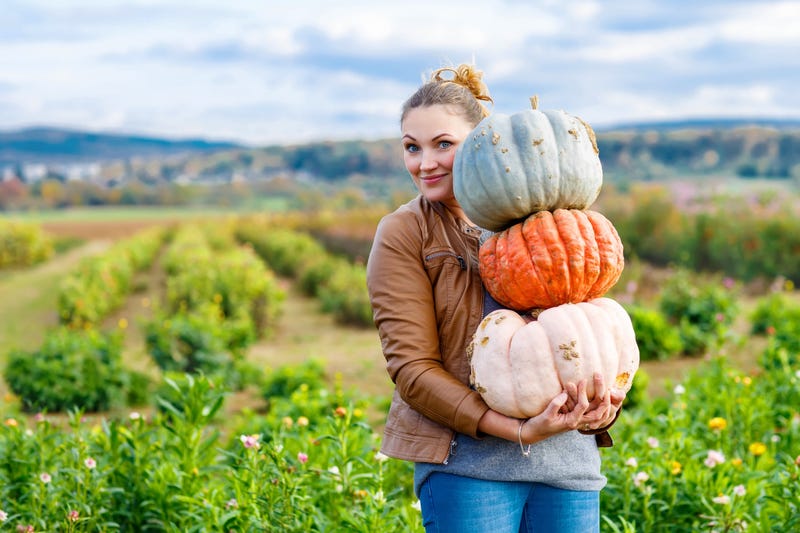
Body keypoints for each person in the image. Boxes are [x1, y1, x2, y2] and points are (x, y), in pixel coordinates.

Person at [365, 63, 626, 533]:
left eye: (444, 144)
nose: (425, 163)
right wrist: (519, 431)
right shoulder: (405, 232)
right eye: (412, 147)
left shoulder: (551, 219)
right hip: (468, 469)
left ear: (484, 142)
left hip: (568, 464)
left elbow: (593, 335)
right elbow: (412, 370)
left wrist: (605, 402)